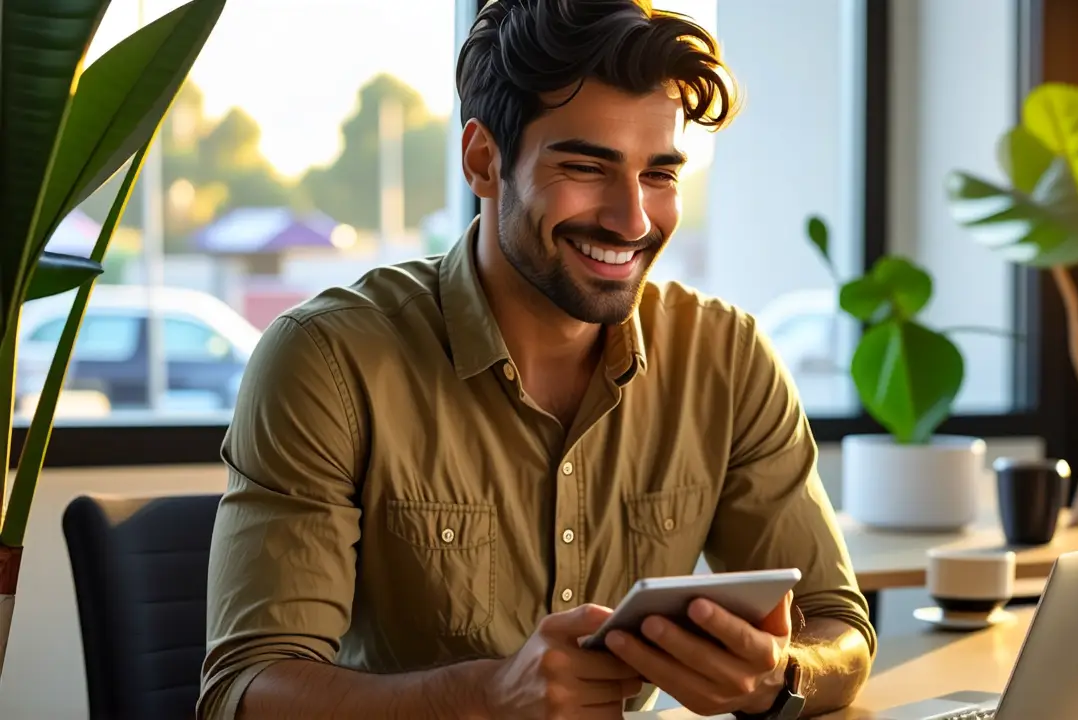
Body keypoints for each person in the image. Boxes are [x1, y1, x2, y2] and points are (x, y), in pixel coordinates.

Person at [197, 1, 877, 718]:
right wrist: (486, 698)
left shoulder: (727, 360)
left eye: (659, 175)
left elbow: (840, 627)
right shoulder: (329, 360)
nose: (632, 219)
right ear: (483, 161)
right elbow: (245, 691)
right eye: (585, 166)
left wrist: (779, 678)